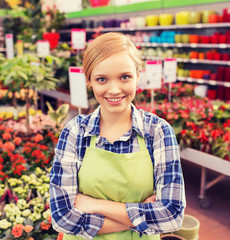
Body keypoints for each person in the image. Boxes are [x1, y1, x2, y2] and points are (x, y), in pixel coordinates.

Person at [49, 32, 186, 240]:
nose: (114, 89)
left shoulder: (157, 131)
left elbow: (172, 216)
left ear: (138, 76)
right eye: (102, 79)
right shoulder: (75, 133)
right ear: (89, 81)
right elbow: (62, 217)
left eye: (125, 77)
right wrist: (141, 216)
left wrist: (95, 205)